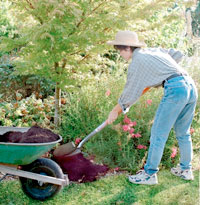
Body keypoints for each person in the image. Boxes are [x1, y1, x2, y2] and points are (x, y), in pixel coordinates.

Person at [106, 30, 198, 185]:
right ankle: (186, 170)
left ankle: (149, 174)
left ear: (127, 48)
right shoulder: (152, 51)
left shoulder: (137, 61)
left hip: (175, 89)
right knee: (183, 132)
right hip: (189, 85)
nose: (120, 54)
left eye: (120, 50)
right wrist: (158, 77)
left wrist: (115, 110)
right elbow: (178, 55)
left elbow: (130, 92)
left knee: (158, 134)